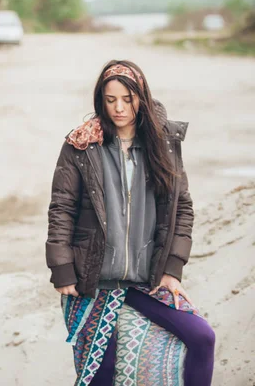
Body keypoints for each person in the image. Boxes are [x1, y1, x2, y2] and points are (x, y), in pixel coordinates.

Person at [46, 60, 215, 385]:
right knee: (100, 371)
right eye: (110, 100)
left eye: (127, 98)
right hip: (93, 280)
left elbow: (182, 209)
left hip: (146, 280)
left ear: (142, 97)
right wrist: (62, 269)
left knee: (201, 337)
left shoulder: (164, 143)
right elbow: (61, 209)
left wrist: (171, 270)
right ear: (100, 101)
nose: (119, 108)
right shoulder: (81, 145)